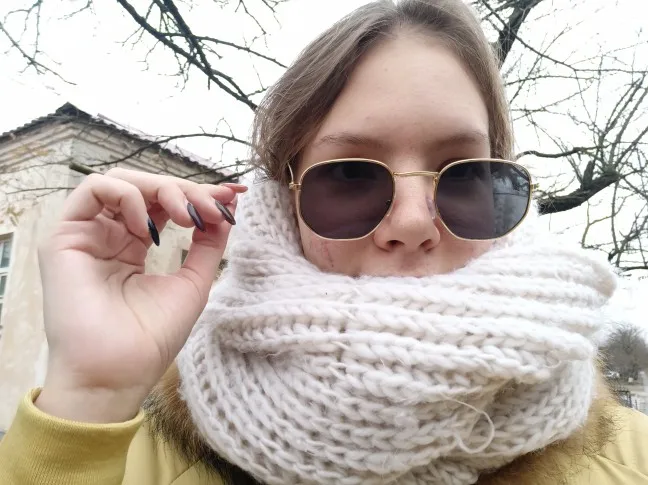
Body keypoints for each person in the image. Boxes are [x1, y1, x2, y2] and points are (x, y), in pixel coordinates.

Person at [1, 0, 647, 484]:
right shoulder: (132, 451)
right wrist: (89, 390)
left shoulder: (630, 457)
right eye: (349, 177)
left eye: (463, 174)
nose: (413, 222)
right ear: (283, 209)